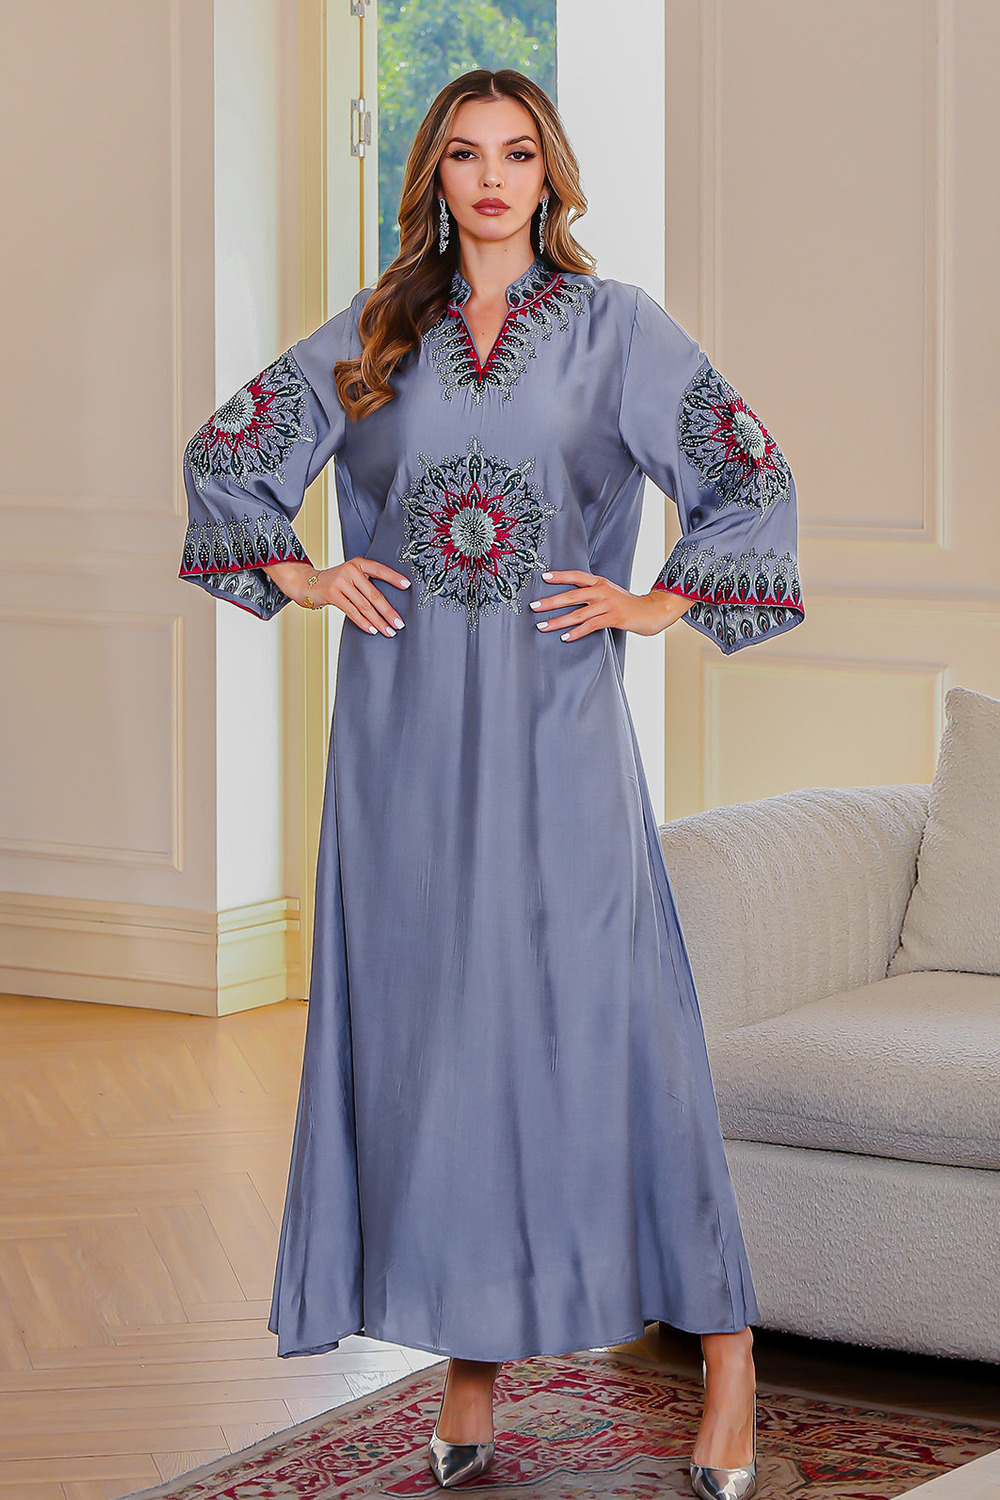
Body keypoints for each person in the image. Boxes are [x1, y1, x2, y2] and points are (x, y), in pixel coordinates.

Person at [178, 67, 803, 1495]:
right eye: (466, 154)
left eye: (519, 153)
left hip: (554, 731)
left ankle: (726, 1356)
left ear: (550, 175)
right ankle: (471, 1374)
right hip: (397, 742)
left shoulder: (615, 329)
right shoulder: (378, 333)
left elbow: (750, 475)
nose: (494, 177)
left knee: (617, 1031)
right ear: (436, 178)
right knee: (442, 1043)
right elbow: (228, 460)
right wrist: (306, 574)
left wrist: (656, 602)